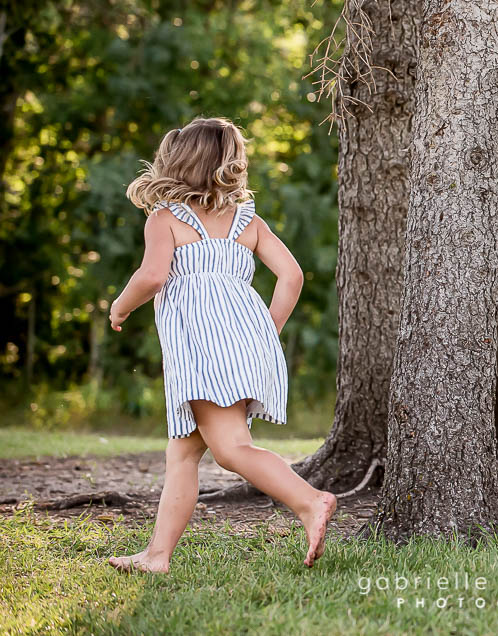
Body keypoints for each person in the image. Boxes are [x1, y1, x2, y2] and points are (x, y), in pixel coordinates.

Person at [106, 117, 337, 572]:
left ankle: (309, 500)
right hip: (245, 343)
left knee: (230, 449)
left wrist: (119, 307)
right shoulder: (248, 221)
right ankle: (157, 555)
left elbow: (151, 276)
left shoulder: (165, 218)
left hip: (205, 352)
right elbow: (291, 276)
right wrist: (266, 330)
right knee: (184, 451)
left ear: (179, 162)